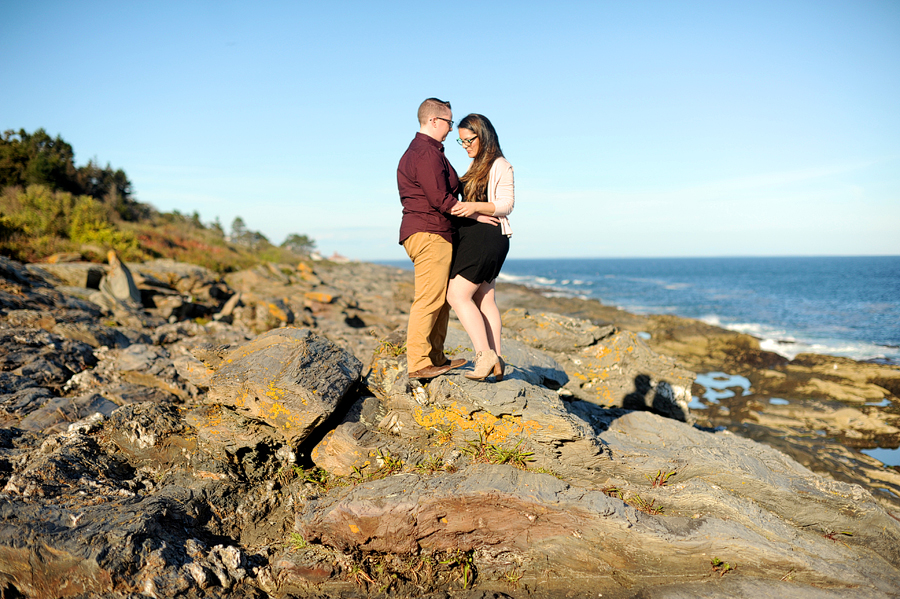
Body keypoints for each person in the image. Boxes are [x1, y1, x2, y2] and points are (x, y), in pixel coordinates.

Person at [396, 98, 470, 379]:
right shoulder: (426, 154)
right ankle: (418, 363)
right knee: (429, 298)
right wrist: (477, 215)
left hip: (432, 232)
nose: (452, 129)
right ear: (434, 121)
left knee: (440, 298)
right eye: (450, 122)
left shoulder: (427, 151)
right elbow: (441, 199)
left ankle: (436, 357)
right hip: (429, 232)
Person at [447, 114, 514, 381]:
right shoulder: (477, 165)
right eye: (461, 142)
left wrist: (473, 206)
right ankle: (496, 360)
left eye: (469, 140)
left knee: (457, 296)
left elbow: (507, 204)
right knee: (485, 298)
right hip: (478, 236)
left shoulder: (501, 164)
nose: (465, 146)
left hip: (487, 237)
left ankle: (483, 355)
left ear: (483, 135)